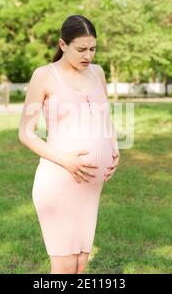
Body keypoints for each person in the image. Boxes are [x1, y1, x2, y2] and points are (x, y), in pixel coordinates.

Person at [18, 14, 120, 274]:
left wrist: (113, 147)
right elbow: (26, 133)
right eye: (81, 49)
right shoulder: (44, 76)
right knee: (63, 267)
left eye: (93, 48)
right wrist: (67, 161)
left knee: (80, 265)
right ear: (63, 45)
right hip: (59, 182)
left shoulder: (97, 73)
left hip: (90, 188)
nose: (89, 56)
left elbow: (103, 114)